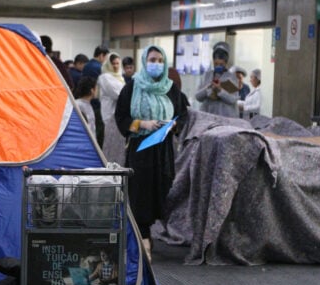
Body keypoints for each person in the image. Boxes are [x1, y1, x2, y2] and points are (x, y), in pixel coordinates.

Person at [115, 45, 187, 261]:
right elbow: (121, 117)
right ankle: (143, 237)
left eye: (159, 60)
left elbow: (183, 114)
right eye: (152, 59)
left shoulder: (171, 88)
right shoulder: (132, 87)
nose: (156, 64)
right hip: (141, 149)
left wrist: (173, 126)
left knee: (161, 191)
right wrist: (142, 123)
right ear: (145, 61)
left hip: (163, 150)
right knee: (140, 194)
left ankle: (152, 232)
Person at [195, 41, 238, 118]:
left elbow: (233, 99)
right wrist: (207, 89)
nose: (218, 66)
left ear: (226, 63)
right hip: (207, 116)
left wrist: (220, 90)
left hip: (226, 118)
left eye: (221, 64)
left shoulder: (231, 78)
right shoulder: (207, 75)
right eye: (216, 64)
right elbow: (198, 97)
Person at [97, 52, 126, 165]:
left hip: (119, 117)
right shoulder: (105, 77)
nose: (115, 66)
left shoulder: (120, 77)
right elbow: (117, 94)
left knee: (118, 147)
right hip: (110, 116)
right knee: (110, 146)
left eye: (118, 63)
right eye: (113, 63)